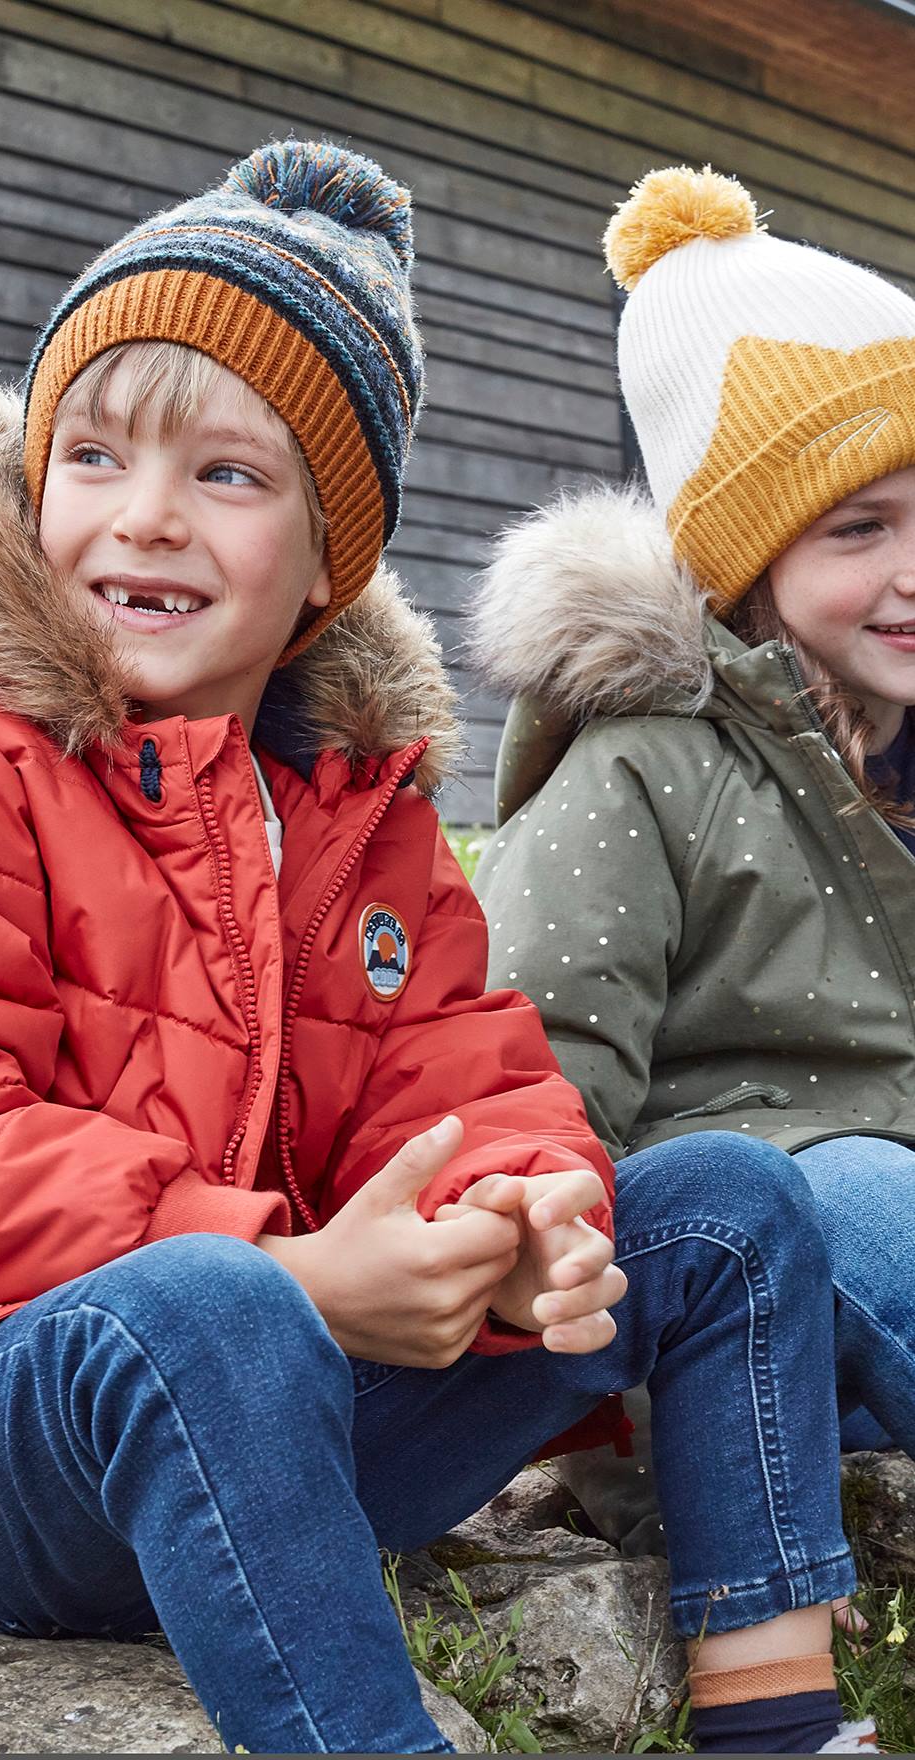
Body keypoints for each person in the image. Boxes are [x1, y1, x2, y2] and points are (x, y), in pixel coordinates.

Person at [0, 145, 871, 1754]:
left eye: (228, 476)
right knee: (210, 1306)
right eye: (91, 456)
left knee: (724, 1205)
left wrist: (517, 1216)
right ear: (36, 487)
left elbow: (468, 1072)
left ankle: (780, 1725)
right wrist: (295, 1274)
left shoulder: (362, 815)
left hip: (280, 1415)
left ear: (326, 562)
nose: (144, 518)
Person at [473, 157, 915, 1718]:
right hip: (760, 1235)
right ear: (746, 562)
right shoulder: (646, 768)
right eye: (860, 526)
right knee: (867, 1198)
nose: (912, 571)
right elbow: (540, 1052)